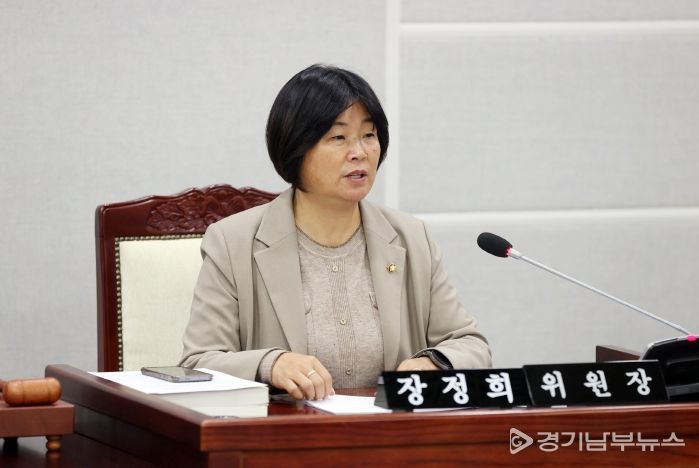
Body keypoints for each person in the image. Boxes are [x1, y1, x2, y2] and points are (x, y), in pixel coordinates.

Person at [180, 64, 491, 400]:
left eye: (369, 135)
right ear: (296, 148)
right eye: (339, 137)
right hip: (284, 428)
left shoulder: (411, 237)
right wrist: (271, 364)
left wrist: (434, 363)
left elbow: (470, 345)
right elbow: (198, 363)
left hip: (386, 428)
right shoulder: (232, 243)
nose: (360, 152)